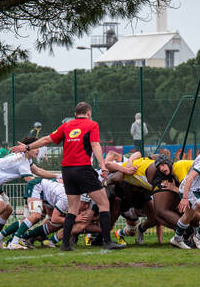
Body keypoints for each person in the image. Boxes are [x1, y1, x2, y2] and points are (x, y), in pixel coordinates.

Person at [11, 101, 124, 251]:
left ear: (75, 114)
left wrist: (27, 147)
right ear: (89, 113)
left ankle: (65, 244)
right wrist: (103, 165)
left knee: (72, 208)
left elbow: (46, 140)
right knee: (104, 204)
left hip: (67, 171)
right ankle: (107, 242)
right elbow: (96, 145)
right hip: (83, 169)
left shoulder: (66, 126)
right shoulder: (92, 125)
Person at [0, 137, 57, 248]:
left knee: (8, 210)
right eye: (35, 147)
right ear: (26, 148)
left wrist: (58, 176)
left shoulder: (26, 159)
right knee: (0, 206)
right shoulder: (21, 162)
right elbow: (31, 181)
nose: (38, 150)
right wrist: (51, 185)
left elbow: (38, 171)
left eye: (38, 147)